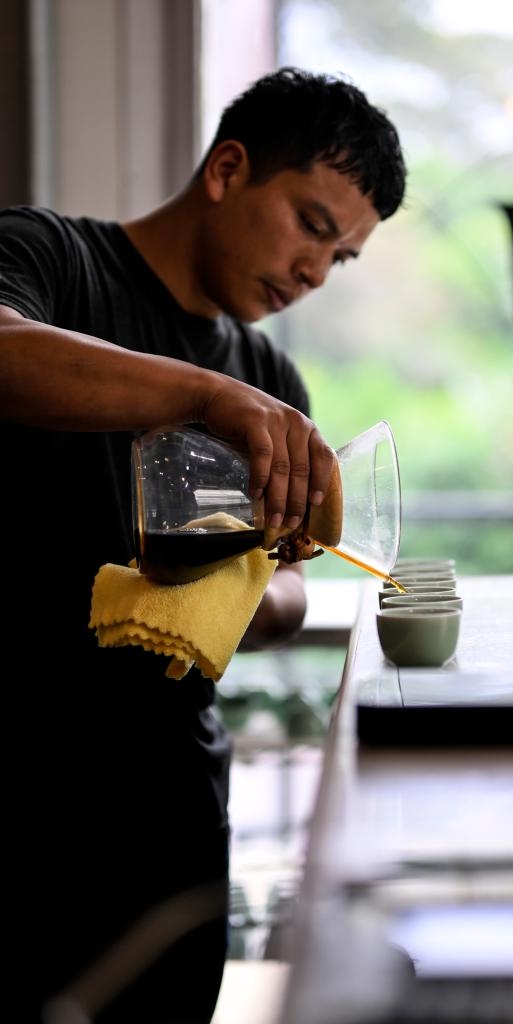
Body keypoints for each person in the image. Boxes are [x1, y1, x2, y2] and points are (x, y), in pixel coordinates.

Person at [0, 66, 406, 1023]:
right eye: (312, 224)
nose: (315, 272)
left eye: (340, 258)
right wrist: (203, 393)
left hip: (168, 803)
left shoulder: (270, 375)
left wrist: (243, 585)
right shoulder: (53, 259)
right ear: (228, 169)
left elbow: (283, 598)